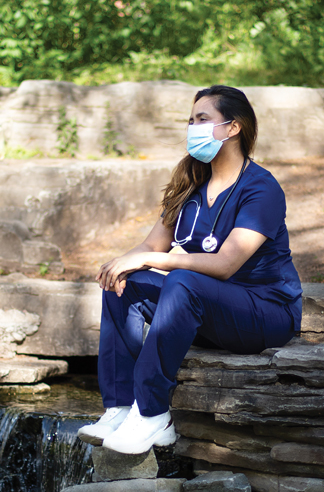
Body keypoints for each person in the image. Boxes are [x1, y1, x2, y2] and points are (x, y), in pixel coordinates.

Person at [77, 85, 302, 455]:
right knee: (125, 282)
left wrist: (152, 260)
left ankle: (152, 415)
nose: (192, 127)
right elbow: (153, 246)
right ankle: (119, 407)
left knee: (182, 279)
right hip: (211, 311)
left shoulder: (261, 188)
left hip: (265, 314)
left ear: (233, 128)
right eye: (190, 120)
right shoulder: (192, 183)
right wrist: (122, 263)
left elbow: (226, 263)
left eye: (202, 119)